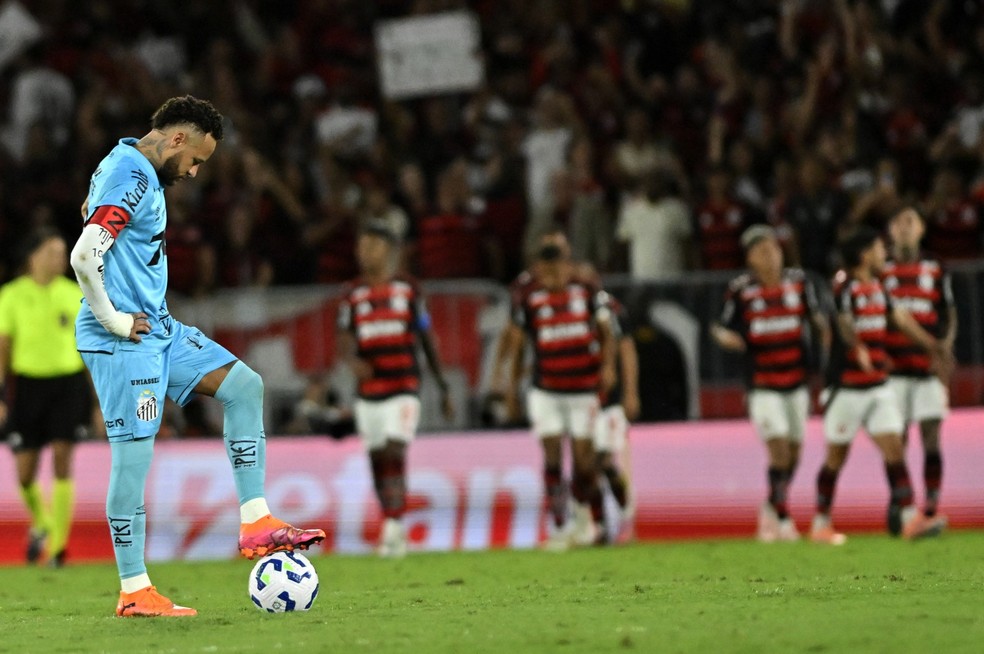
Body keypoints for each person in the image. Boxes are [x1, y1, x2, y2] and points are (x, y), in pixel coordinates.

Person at [70, 96, 325, 617]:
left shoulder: (124, 163)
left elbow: (95, 220)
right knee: (133, 460)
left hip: (159, 331)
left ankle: (257, 521)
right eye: (195, 161)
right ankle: (134, 590)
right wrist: (114, 319)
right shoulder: (134, 174)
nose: (191, 172)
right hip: (125, 340)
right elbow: (83, 254)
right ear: (176, 139)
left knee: (243, 386)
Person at [811, 227, 950, 545]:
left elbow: (900, 319)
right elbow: (844, 321)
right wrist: (856, 346)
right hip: (846, 387)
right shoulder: (844, 285)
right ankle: (820, 523)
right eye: (877, 249)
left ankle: (908, 519)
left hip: (878, 385)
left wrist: (933, 347)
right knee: (836, 457)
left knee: (894, 449)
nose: (883, 254)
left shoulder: (879, 288)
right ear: (863, 255)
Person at [336, 219, 453, 558]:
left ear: (388, 250)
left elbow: (427, 337)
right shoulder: (352, 294)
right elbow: (344, 339)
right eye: (361, 245)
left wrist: (443, 386)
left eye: (372, 245)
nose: (365, 252)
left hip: (404, 385)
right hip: (369, 390)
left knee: (394, 449)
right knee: (376, 458)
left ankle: (394, 526)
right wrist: (352, 361)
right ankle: (392, 523)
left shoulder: (408, 290)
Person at [711, 225, 830, 543]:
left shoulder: (799, 283)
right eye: (762, 250)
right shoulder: (741, 290)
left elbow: (817, 319)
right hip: (762, 385)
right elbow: (719, 326)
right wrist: (730, 339)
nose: (771, 255)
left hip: (796, 381)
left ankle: (770, 505)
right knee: (778, 453)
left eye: (774, 248)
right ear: (750, 257)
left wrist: (825, 345)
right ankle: (782, 518)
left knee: (793, 456)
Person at [502, 232, 616, 549]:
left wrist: (609, 367)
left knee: (584, 462)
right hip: (547, 390)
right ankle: (560, 525)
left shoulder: (588, 292)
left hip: (583, 390)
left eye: (559, 267)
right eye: (546, 269)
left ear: (569, 266)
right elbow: (519, 346)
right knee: (552, 455)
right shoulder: (531, 300)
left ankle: (596, 519)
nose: (553, 275)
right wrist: (511, 389)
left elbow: (608, 333)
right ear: (538, 269)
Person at [0, 228, 91, 567]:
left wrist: (96, 401)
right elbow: (3, 350)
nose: (61, 259)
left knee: (62, 459)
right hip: (28, 387)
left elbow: (88, 349)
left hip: (67, 385)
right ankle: (42, 522)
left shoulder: (74, 293)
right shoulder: (11, 295)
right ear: (33, 256)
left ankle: (57, 547)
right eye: (54, 252)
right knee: (24, 473)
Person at [883, 208, 956, 524]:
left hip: (927, 367)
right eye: (899, 222)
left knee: (931, 436)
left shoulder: (936, 268)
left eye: (911, 221)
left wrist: (944, 351)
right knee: (894, 441)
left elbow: (949, 312)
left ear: (922, 229)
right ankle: (901, 503)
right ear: (890, 230)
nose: (905, 227)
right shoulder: (881, 270)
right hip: (892, 369)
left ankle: (930, 505)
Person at [592, 293, 640, 543]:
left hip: (607, 401)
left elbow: (626, 347)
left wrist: (630, 392)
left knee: (603, 462)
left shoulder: (606, 307)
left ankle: (624, 516)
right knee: (587, 467)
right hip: (579, 400)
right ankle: (599, 526)